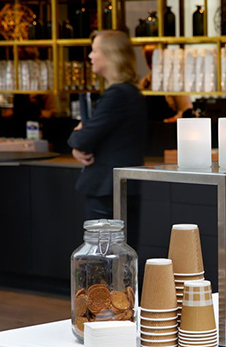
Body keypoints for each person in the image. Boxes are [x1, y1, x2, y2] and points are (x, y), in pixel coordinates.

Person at [67, 30, 147, 228]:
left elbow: (84, 139)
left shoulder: (118, 95)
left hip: (109, 190)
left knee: (103, 256)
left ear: (111, 55)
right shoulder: (128, 92)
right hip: (116, 188)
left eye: (94, 51)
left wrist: (77, 133)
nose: (90, 56)